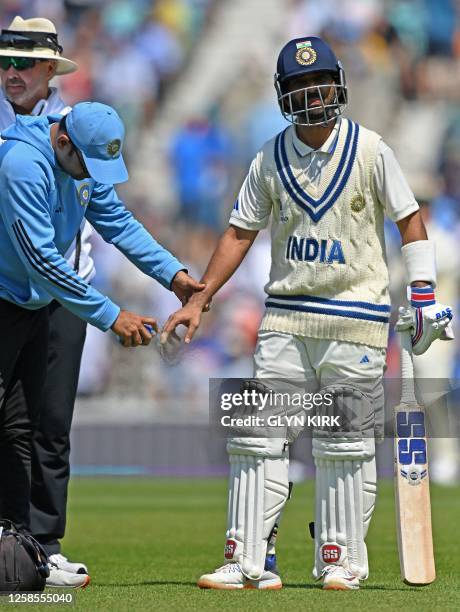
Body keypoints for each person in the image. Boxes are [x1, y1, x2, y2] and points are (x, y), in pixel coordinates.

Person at [162, 36, 454, 591]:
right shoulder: (269, 157)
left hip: (357, 319)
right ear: (283, 95)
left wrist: (421, 297)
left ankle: (340, 559)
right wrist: (199, 299)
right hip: (286, 318)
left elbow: (410, 221)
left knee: (343, 444)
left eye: (318, 81)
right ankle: (247, 561)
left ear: (337, 84)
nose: (311, 93)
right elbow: (238, 232)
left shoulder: (372, 150)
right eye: (298, 86)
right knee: (255, 437)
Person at [0, 101, 203, 587]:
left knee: (22, 431)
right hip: (6, 298)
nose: (94, 176)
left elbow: (118, 222)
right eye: (90, 165)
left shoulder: (79, 162)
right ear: (64, 142)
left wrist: (173, 275)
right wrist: (113, 317)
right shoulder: (21, 166)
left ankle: (23, 551)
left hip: (31, 304)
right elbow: (41, 262)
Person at [0, 15, 94, 588]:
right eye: (5, 62)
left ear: (51, 70)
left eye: (24, 63)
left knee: (50, 424)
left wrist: (171, 273)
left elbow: (110, 212)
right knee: (10, 423)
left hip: (64, 289)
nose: (11, 73)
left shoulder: (76, 126)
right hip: (6, 293)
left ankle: (41, 546)